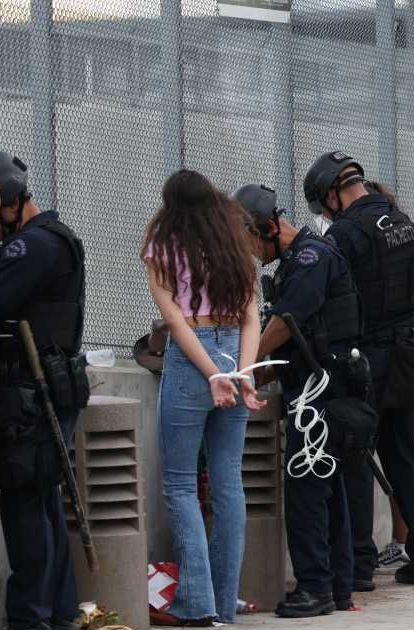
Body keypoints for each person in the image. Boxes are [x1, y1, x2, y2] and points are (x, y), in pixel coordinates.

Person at [303, 152, 414, 588]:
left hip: (366, 356)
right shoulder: (400, 220)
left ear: (331, 193)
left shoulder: (346, 232)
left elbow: (333, 294)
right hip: (408, 351)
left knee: (355, 454)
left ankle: (359, 564)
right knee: (404, 452)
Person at [143, 170, 264, 626]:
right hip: (235, 350)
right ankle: (223, 602)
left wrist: (213, 374)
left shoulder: (162, 248)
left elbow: (176, 322)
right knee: (229, 482)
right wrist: (242, 374)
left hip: (192, 362)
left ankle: (199, 606)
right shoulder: (236, 248)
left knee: (179, 484)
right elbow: (252, 317)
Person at [0, 151, 88, 630]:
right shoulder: (52, 239)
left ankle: (31, 616)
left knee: (25, 500)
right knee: (43, 499)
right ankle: (57, 612)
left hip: (32, 390)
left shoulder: (32, 246)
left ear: (12, 202)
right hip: (44, 386)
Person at [239, 183, 362, 618]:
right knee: (327, 487)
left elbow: (286, 324)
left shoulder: (310, 259)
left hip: (319, 393)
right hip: (317, 384)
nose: (253, 254)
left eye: (252, 241)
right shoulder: (303, 258)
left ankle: (315, 587)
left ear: (270, 227)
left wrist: (243, 363)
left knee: (308, 488)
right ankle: (337, 587)